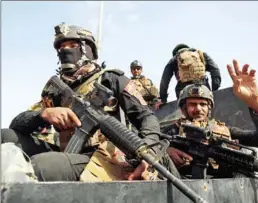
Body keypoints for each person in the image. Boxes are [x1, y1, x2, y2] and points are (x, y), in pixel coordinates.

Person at [1, 22, 179, 182]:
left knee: (42, 166)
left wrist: (149, 151)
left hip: (104, 157)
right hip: (67, 151)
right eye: (61, 48)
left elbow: (147, 116)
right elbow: (17, 124)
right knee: (6, 136)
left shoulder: (111, 78)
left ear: (88, 49)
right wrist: (43, 114)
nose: (65, 51)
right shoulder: (55, 90)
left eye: (72, 45)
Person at [162, 59, 258, 179]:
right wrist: (166, 151)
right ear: (183, 108)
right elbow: (148, 146)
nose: (199, 109)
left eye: (203, 104)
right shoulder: (172, 131)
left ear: (209, 108)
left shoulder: (223, 131)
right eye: (193, 104)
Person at [155, 43, 221, 110]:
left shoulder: (174, 59)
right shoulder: (201, 55)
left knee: (186, 110)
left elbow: (165, 80)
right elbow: (215, 70)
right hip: (203, 86)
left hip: (183, 89)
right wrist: (214, 90)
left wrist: (163, 99)